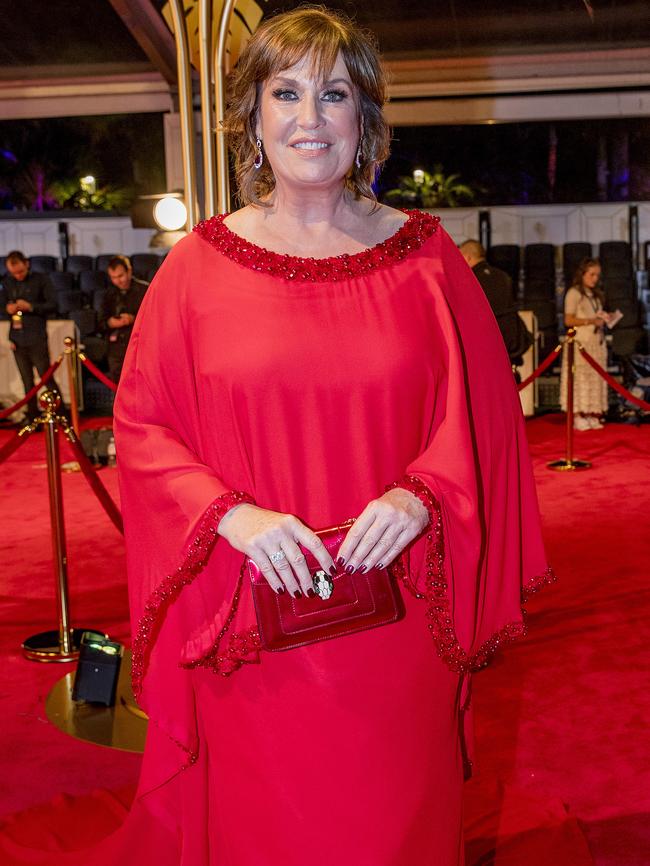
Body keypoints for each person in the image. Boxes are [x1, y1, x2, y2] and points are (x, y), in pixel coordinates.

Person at [110, 8, 552, 866]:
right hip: (252, 624)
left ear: (365, 118)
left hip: (397, 624)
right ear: (253, 116)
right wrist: (229, 517)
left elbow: (485, 423)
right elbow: (142, 427)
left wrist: (423, 494)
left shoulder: (429, 260)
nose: (309, 117)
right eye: (286, 92)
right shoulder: (195, 269)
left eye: (334, 93)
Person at [0, 250, 59, 421]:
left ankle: (61, 414)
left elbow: (53, 305)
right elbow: (2, 306)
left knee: (46, 378)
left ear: (26, 264)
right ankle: (33, 417)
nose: (18, 276)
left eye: (20, 271)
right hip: (17, 338)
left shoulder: (41, 280)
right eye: (14, 273)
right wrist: (7, 309)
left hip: (36, 336)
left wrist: (31, 306)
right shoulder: (7, 282)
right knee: (27, 381)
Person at [459, 239, 533, 370]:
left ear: (467, 257)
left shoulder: (469, 280)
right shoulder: (503, 276)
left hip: (484, 343)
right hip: (510, 341)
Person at [560, 258, 609, 430]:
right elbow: (568, 319)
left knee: (594, 378)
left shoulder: (595, 295)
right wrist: (590, 321)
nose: (595, 279)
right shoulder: (574, 293)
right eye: (591, 274)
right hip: (581, 342)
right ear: (582, 274)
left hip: (596, 342)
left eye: (597, 275)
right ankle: (578, 414)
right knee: (581, 378)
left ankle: (591, 412)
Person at [98, 255, 148, 382]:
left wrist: (133, 319)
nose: (118, 281)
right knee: (118, 384)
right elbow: (100, 323)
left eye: (120, 276)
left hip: (141, 344)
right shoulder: (108, 294)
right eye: (113, 277)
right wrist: (110, 323)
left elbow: (155, 319)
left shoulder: (145, 290)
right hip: (116, 347)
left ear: (129, 271)